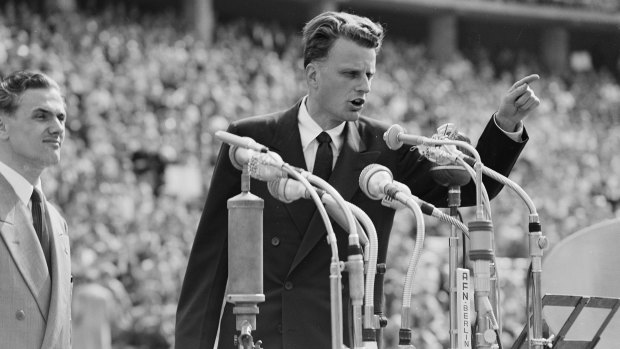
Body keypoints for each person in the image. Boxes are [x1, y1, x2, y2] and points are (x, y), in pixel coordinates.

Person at [176, 11, 540, 349]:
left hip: (345, 336)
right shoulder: (250, 141)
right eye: (351, 74)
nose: (364, 86)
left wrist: (504, 126)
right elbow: (209, 266)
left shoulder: (387, 145)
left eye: (369, 75)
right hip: (260, 337)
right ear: (313, 75)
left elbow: (468, 189)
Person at [0, 70, 71, 348]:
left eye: (61, 117)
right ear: (2, 127)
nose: (57, 127)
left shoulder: (57, 222)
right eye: (41, 116)